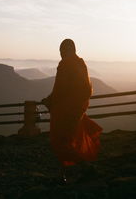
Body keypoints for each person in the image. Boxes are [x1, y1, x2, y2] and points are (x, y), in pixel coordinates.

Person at [41, 39, 102, 182]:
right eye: (61, 50)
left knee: (59, 141)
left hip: (64, 111)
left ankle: (83, 167)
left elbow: (59, 88)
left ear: (67, 50)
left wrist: (49, 101)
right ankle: (65, 173)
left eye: (63, 50)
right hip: (76, 110)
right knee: (68, 140)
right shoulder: (81, 63)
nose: (62, 53)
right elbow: (86, 89)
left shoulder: (65, 64)